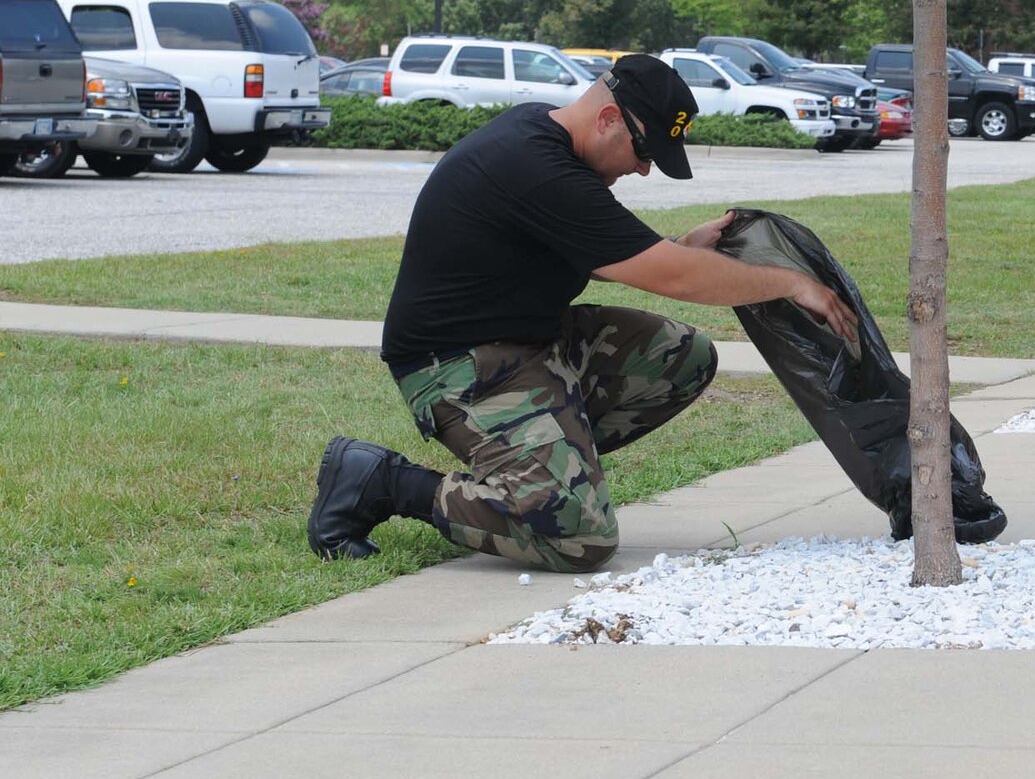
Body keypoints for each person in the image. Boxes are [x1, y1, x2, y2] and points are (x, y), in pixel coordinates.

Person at [308, 54, 860, 572]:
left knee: (680, 356)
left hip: (529, 344)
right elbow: (676, 277)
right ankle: (384, 482)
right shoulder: (534, 165)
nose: (644, 171)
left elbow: (606, 254)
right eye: (644, 154)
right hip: (458, 368)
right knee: (579, 538)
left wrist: (680, 244)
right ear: (608, 119)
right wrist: (791, 284)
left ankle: (533, 467)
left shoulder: (547, 142)